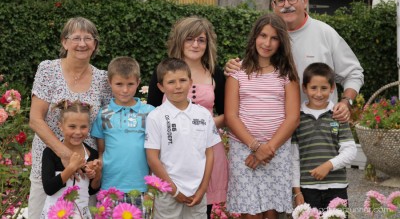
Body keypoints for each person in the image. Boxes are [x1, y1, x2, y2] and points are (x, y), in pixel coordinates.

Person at [225, 0, 364, 123]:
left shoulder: (325, 33)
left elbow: (354, 73)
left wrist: (346, 102)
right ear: (273, 5)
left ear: (305, 1)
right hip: (276, 132)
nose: (286, 5)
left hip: (319, 129)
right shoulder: (268, 40)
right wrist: (234, 67)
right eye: (280, 0)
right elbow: (250, 72)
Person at [29, 17, 112, 218]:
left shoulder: (103, 79)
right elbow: (35, 119)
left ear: (95, 45)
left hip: (85, 170)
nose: (82, 44)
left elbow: (108, 123)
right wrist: (65, 154)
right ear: (64, 42)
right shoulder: (48, 70)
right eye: (75, 38)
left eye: (88, 38)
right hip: (48, 164)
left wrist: (98, 161)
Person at [147, 16, 228, 217]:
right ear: (180, 40)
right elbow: (151, 111)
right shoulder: (164, 71)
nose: (195, 44)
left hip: (208, 150)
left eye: (201, 40)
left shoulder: (215, 73)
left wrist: (200, 127)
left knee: (202, 208)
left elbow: (227, 113)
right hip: (172, 153)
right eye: (189, 39)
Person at [224, 13, 300, 219]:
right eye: (263, 35)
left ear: (281, 42)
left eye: (274, 38)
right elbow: (231, 116)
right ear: (254, 37)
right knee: (251, 212)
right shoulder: (237, 72)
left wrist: (268, 148)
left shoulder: (287, 74)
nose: (267, 43)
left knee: (271, 212)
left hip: (277, 149)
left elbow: (293, 118)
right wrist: (256, 147)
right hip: (244, 150)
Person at [291, 62, 356, 211]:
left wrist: (328, 165)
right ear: (304, 88)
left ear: (332, 88)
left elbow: (350, 150)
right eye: (313, 88)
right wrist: (297, 191)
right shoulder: (297, 119)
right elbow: (294, 158)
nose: (319, 94)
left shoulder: (338, 115)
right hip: (307, 190)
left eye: (324, 88)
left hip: (337, 188)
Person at [91, 56, 155, 207]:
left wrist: (151, 189)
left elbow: (155, 153)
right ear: (110, 82)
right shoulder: (103, 114)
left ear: (138, 82)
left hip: (141, 188)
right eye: (119, 84)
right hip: (110, 187)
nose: (125, 90)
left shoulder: (150, 113)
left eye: (130, 84)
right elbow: (102, 151)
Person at [41, 100, 102, 219]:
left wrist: (97, 173)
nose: (78, 132)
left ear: (89, 127)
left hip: (81, 214)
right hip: (55, 214)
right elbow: (49, 188)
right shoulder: (50, 153)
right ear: (60, 126)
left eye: (83, 127)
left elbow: (91, 191)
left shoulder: (92, 154)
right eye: (72, 126)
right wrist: (71, 167)